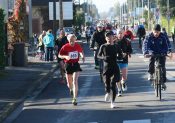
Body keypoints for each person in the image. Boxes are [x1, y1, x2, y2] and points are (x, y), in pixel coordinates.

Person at [97, 31, 123, 108]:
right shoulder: (103, 46)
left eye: (110, 36)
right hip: (106, 68)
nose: (109, 38)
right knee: (107, 84)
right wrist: (103, 57)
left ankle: (113, 102)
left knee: (113, 83)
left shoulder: (116, 46)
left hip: (115, 67)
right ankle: (108, 92)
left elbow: (120, 55)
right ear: (106, 38)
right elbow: (98, 55)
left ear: (113, 37)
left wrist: (119, 57)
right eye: (107, 37)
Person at [58, 34, 85, 105]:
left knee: (75, 81)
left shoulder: (77, 45)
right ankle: (71, 89)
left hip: (76, 64)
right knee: (69, 83)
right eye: (70, 40)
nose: (72, 41)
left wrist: (82, 56)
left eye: (73, 40)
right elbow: (59, 55)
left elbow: (80, 51)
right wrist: (65, 56)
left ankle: (74, 98)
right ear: (68, 40)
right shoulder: (65, 47)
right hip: (68, 65)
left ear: (75, 39)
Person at [142, 24, 170, 90]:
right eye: (155, 32)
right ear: (152, 31)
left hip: (161, 53)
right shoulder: (149, 36)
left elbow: (166, 45)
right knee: (151, 60)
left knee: (162, 67)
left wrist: (165, 52)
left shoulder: (163, 36)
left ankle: (163, 82)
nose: (156, 33)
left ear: (160, 31)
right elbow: (145, 44)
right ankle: (151, 73)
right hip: (152, 52)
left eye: (157, 32)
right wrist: (145, 52)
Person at [116, 29, 133, 96]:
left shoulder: (127, 41)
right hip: (115, 61)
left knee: (124, 77)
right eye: (119, 33)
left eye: (121, 33)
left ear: (123, 34)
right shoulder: (113, 41)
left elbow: (130, 50)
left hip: (124, 61)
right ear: (117, 34)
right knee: (116, 77)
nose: (120, 35)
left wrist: (126, 53)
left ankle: (123, 82)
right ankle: (119, 90)